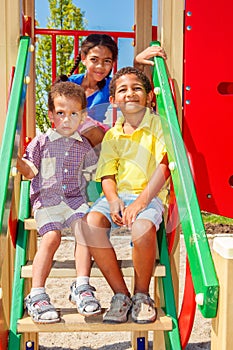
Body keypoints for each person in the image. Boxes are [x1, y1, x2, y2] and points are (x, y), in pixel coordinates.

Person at [77, 66, 170, 324]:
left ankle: (142, 294)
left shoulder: (160, 126)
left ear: (149, 97)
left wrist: (140, 202)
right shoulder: (113, 135)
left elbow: (165, 166)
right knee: (91, 223)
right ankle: (121, 294)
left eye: (137, 88)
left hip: (149, 196)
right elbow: (108, 174)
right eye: (122, 90)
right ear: (113, 100)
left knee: (141, 227)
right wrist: (114, 200)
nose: (130, 94)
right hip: (118, 195)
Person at [16, 81, 99, 323]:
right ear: (51, 114)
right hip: (47, 199)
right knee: (52, 237)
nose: (66, 119)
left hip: (74, 199)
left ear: (82, 116)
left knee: (86, 230)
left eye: (74, 114)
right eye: (60, 113)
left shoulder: (84, 145)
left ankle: (82, 286)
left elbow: (91, 175)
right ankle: (37, 293)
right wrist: (17, 160)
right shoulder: (41, 141)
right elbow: (30, 172)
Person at [56, 34, 167, 147]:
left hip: (94, 139)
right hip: (70, 134)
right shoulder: (70, 84)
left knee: (93, 129)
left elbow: (130, 87)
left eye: (107, 61)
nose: (100, 66)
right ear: (84, 58)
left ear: (112, 63)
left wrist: (137, 63)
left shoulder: (109, 85)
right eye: (94, 59)